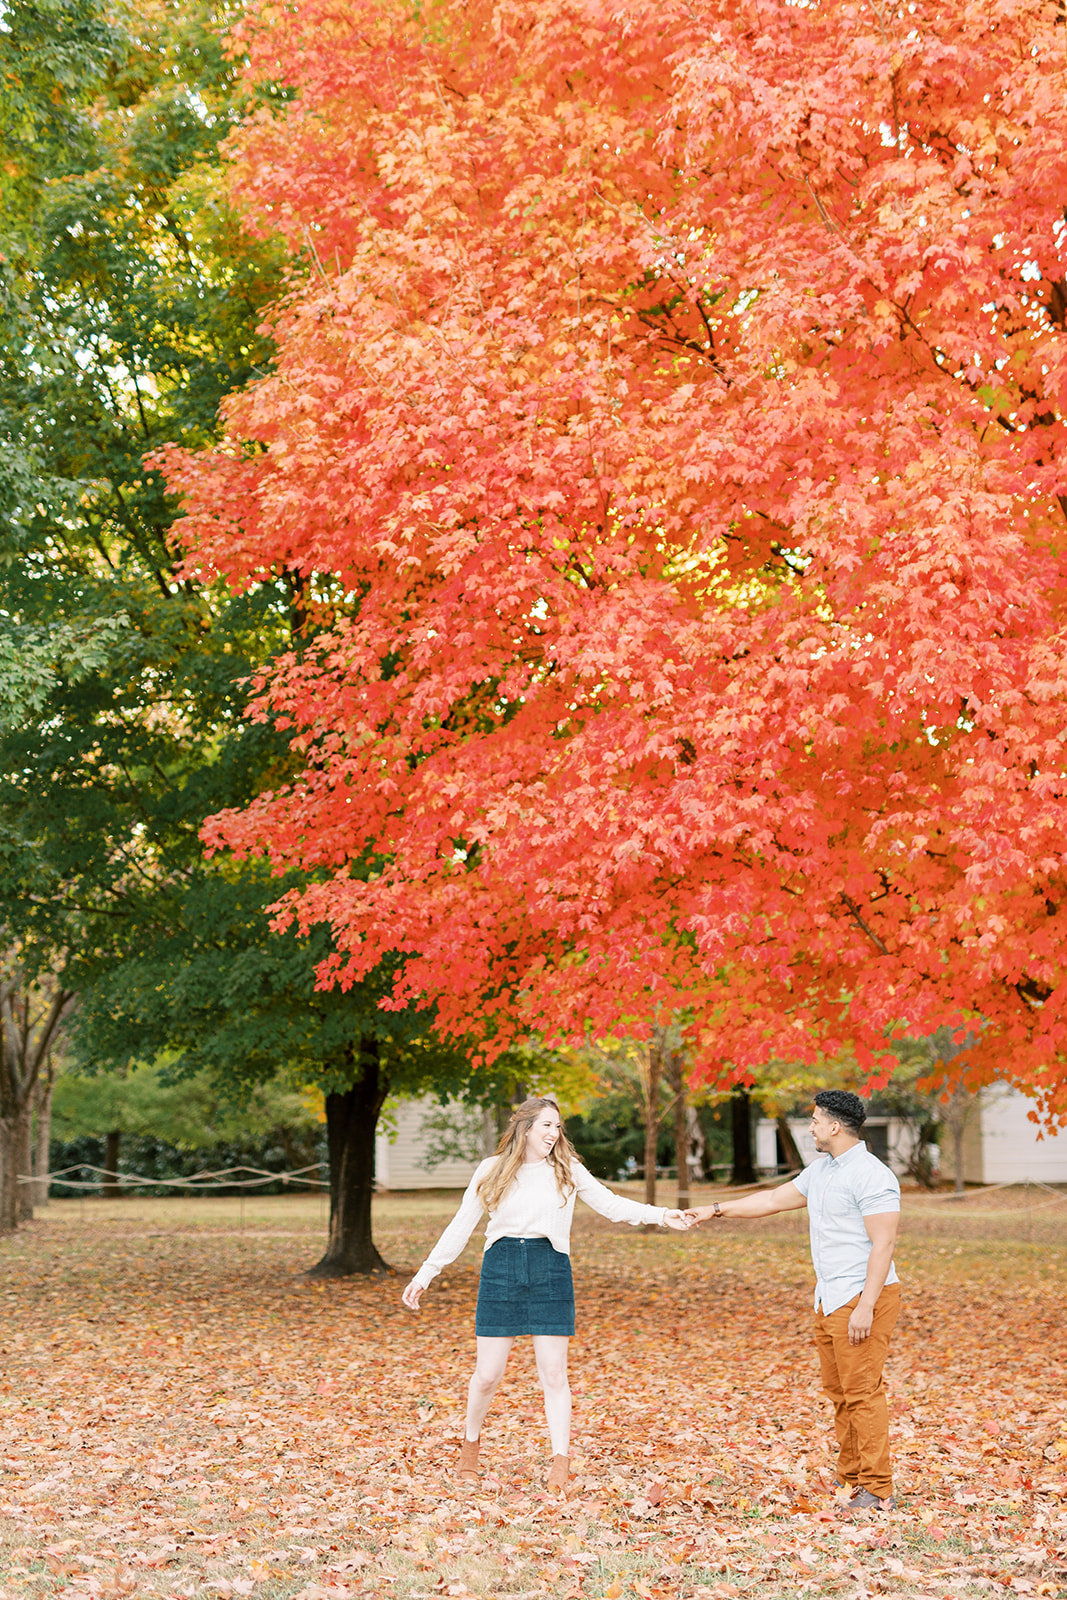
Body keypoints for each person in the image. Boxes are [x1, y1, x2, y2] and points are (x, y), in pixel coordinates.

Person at [402, 1095, 690, 1491]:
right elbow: (462, 1223)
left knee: (553, 1373)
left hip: (550, 1268)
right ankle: (470, 1444)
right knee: (487, 1375)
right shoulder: (492, 1169)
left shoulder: (567, 1169)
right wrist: (426, 1272)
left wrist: (661, 1215)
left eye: (558, 1127)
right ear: (525, 1128)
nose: (554, 1134)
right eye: (546, 1126)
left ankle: (560, 1462)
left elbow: (610, 1205)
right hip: (501, 1267)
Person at [687, 1089, 901, 1512]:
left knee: (862, 1393)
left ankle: (877, 1490)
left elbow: (884, 1242)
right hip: (829, 1296)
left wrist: (865, 1306)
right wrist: (714, 1210)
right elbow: (771, 1200)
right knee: (840, 1393)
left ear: (835, 1126)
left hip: (861, 1296)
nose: (811, 1127)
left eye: (817, 1120)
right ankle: (851, 1481)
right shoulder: (821, 1171)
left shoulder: (873, 1175)